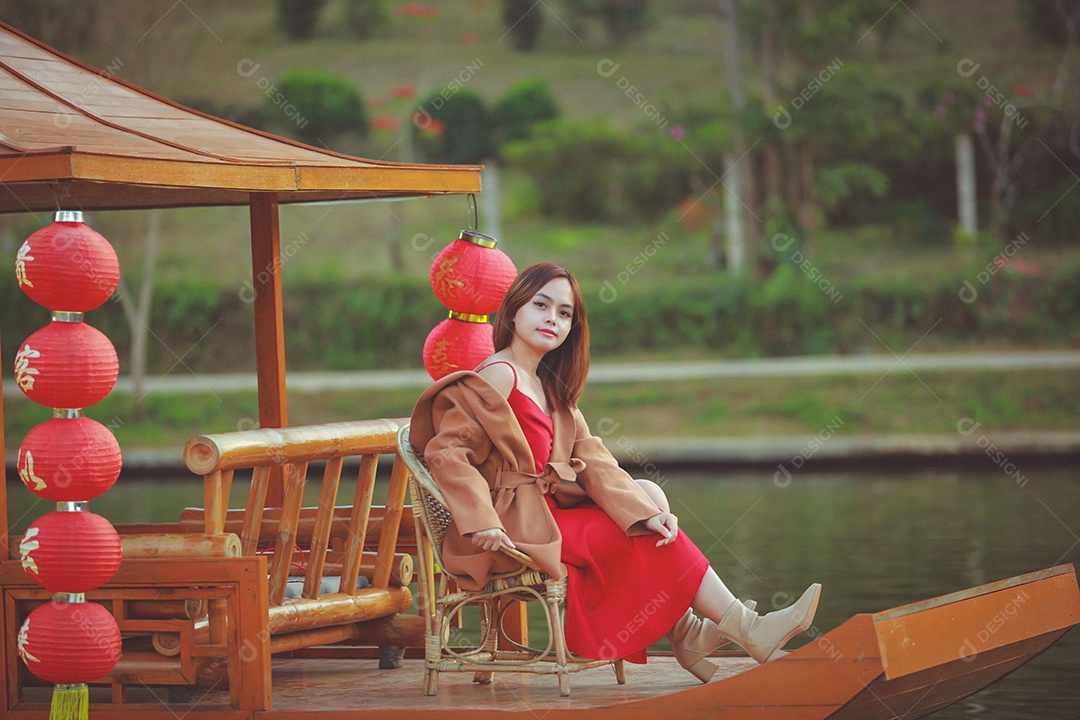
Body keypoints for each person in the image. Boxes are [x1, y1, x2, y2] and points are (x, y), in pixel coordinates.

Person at [409, 262, 820, 682]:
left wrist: (646, 511)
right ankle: (737, 630)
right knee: (639, 536)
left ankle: (696, 634)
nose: (552, 318)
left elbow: (595, 460)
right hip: (511, 525)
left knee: (649, 506)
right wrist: (481, 521)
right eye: (541, 305)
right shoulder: (498, 374)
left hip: (547, 512)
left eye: (565, 313)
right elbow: (448, 452)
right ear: (513, 311)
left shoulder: (550, 386)